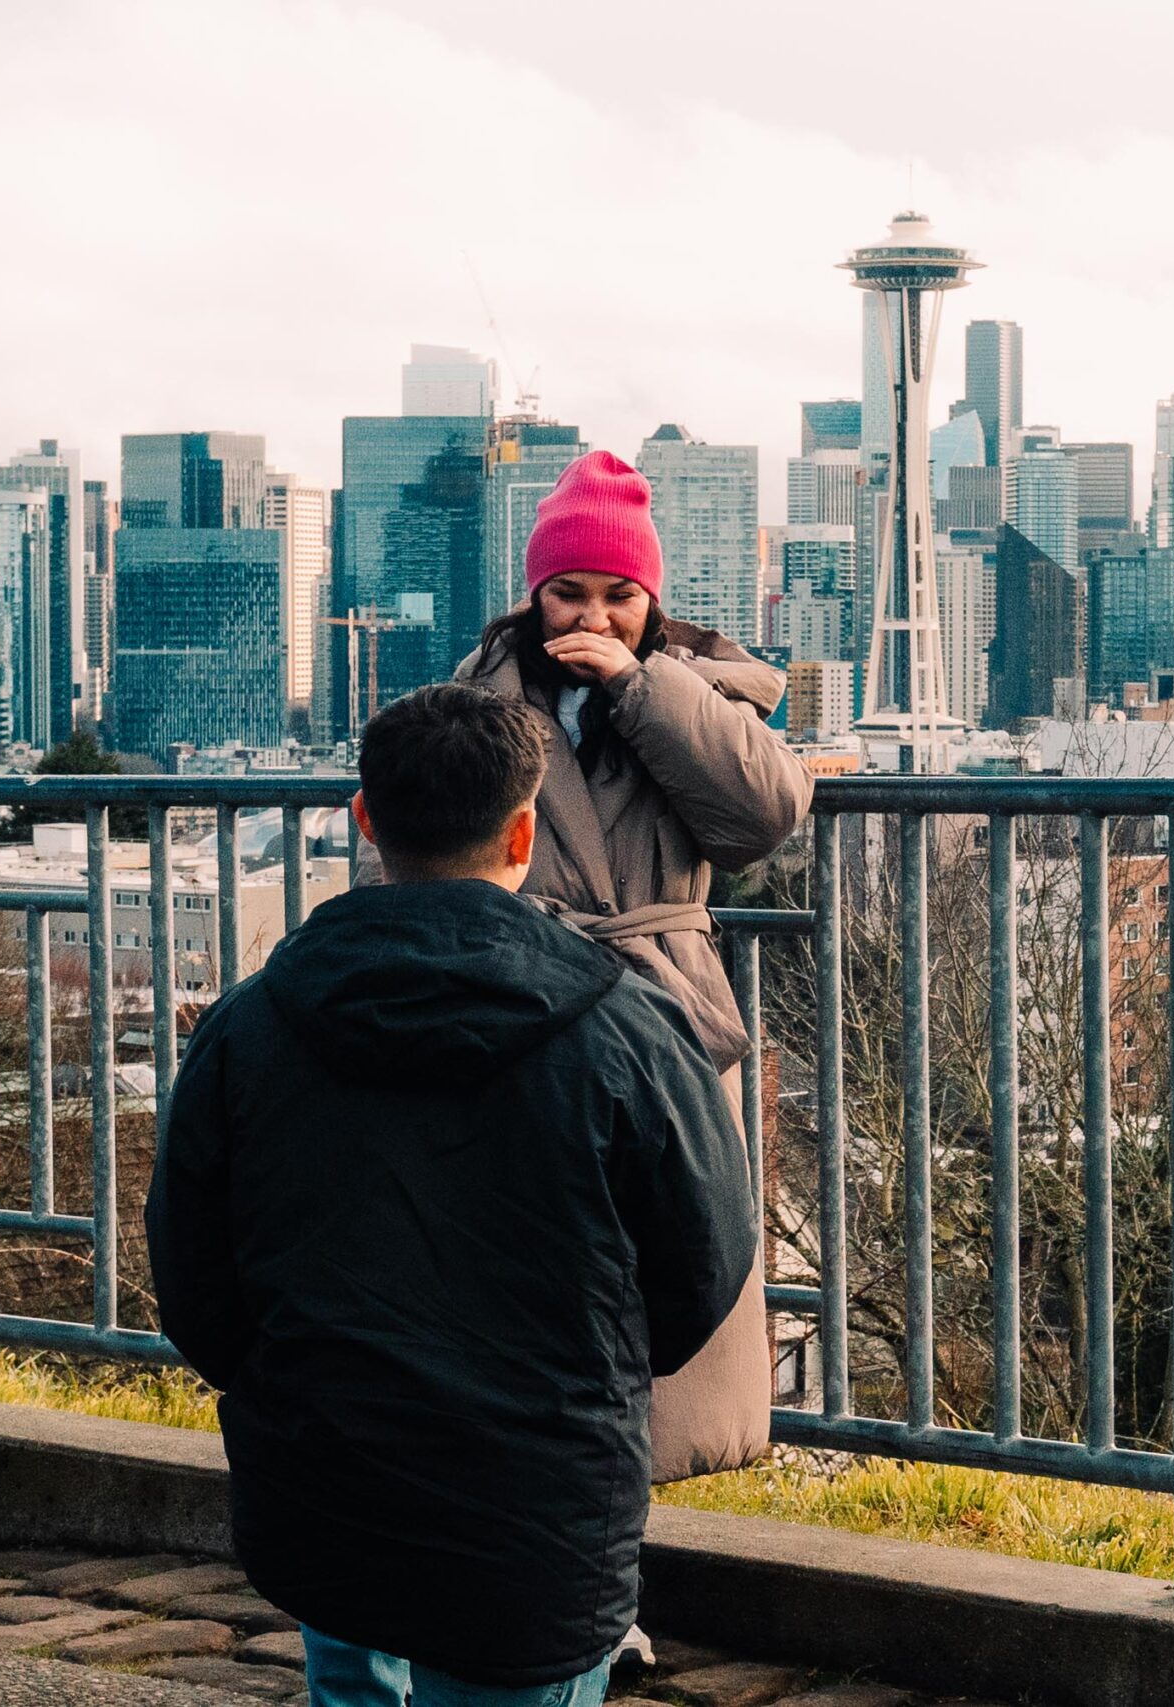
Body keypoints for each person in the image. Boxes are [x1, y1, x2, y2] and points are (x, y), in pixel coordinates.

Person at [146, 683, 756, 1707]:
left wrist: (287, 1385)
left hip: (326, 1484)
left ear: (365, 819)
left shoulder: (250, 1028)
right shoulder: (631, 1034)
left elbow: (193, 1270)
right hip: (537, 1511)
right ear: (523, 832)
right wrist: (597, 1377)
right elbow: (705, 1262)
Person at [401, 447, 813, 1487]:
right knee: (536, 1275)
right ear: (534, 595)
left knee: (674, 1253)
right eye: (569, 591)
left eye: (620, 595)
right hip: (520, 1013)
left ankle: (632, 1507)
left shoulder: (698, 694)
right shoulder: (474, 702)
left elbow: (762, 817)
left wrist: (638, 688)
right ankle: (550, 1511)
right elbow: (418, 844)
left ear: (651, 602)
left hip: (664, 1008)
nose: (594, 616)